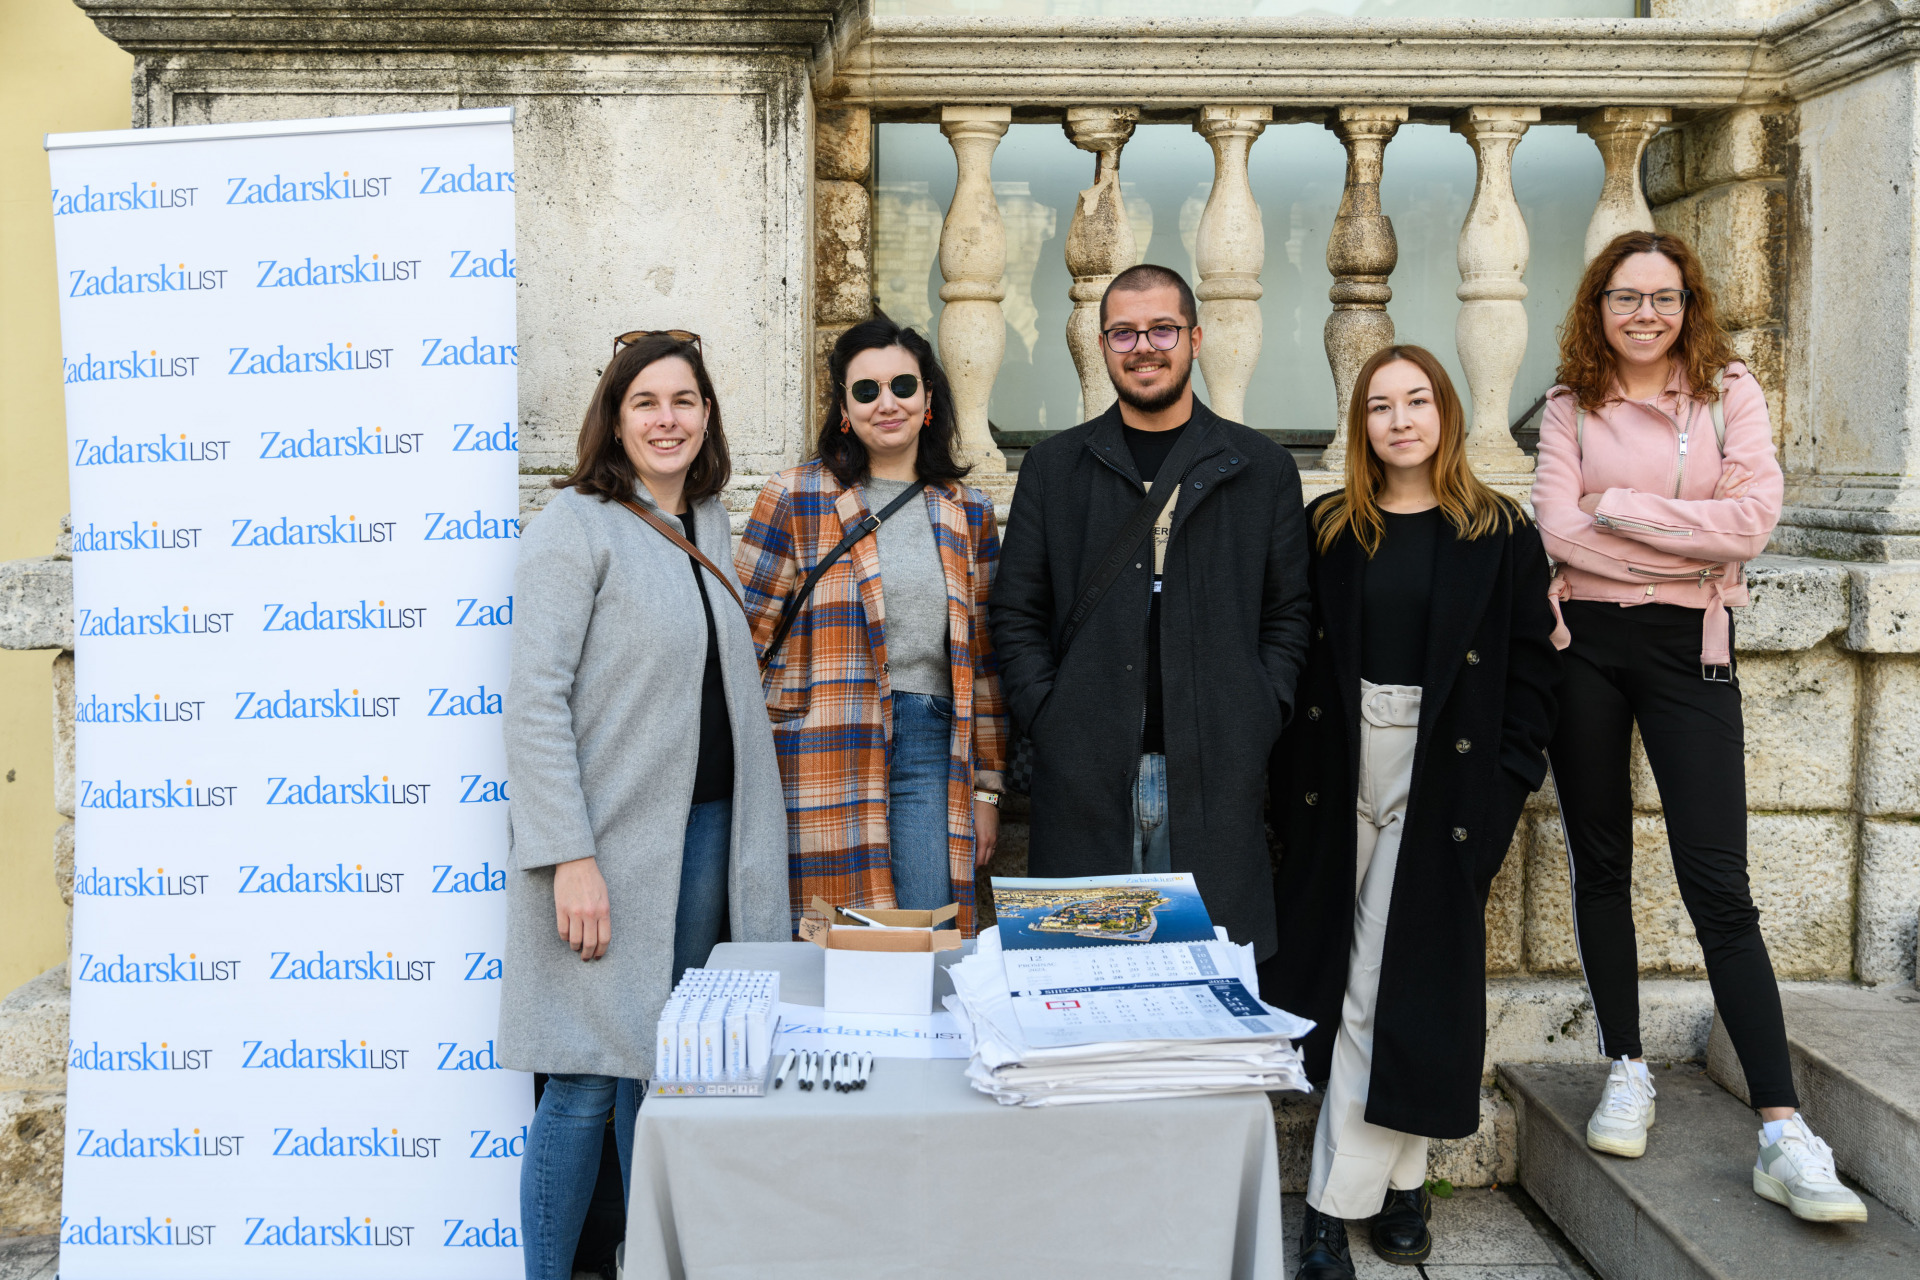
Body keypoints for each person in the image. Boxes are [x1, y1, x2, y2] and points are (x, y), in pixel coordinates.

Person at [1532, 229, 1867, 1223]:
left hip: (1694, 650)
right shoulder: (1566, 404)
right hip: (1581, 648)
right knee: (1600, 859)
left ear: (1689, 303)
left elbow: (1753, 521)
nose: (1646, 314)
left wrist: (1622, 510)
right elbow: (1555, 527)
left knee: (1719, 881)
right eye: (1625, 297)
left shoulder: (1729, 392)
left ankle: (1783, 1129)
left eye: (1664, 297)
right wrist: (1681, 537)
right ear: (1598, 308)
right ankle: (1625, 1063)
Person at [500, 331, 790, 1280]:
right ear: (614, 420)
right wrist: (567, 856)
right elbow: (533, 702)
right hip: (609, 850)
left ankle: (645, 1261)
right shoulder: (572, 528)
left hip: (704, 837)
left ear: (706, 416)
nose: (667, 420)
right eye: (646, 403)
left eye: (684, 402)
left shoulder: (711, 523)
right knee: (584, 1078)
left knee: (664, 1066)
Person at [1270, 345, 1558, 1278]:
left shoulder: (1501, 531)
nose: (1401, 419)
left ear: (1447, 413)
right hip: (1340, 760)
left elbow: (1531, 675)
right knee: (1362, 977)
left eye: (1418, 400)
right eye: (1381, 405)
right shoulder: (1330, 528)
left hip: (1444, 778)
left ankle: (1326, 1211)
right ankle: (1401, 1187)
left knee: (1385, 980)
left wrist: (1505, 784)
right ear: (1361, 425)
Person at [990, 262, 1311, 956]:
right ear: (1101, 346)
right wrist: (1051, 715)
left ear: (1195, 338)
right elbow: (1016, 612)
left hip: (1217, 775)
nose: (1144, 347)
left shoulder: (1259, 470)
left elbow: (1288, 616)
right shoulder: (1054, 468)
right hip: (1084, 776)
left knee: (1208, 984)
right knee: (1084, 985)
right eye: (1124, 333)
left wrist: (1261, 709)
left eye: (1162, 328)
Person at [736, 315, 1007, 933]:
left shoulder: (967, 511)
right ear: (843, 408)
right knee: (830, 936)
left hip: (932, 747)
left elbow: (986, 662)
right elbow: (742, 641)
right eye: (866, 390)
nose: (887, 403)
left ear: (929, 398)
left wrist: (989, 789)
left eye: (903, 386)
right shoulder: (795, 497)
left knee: (929, 929)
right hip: (821, 742)